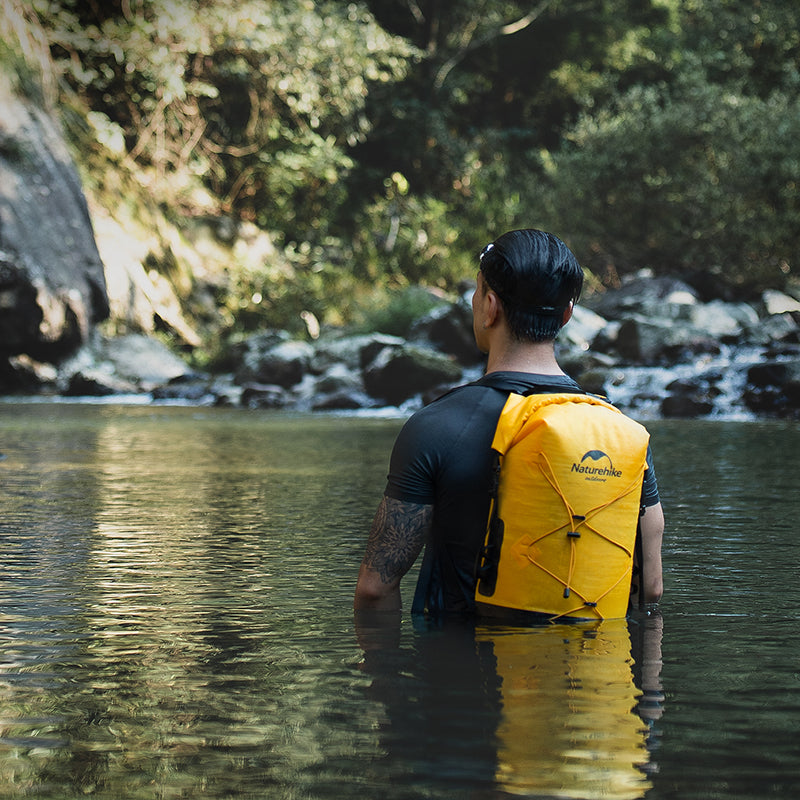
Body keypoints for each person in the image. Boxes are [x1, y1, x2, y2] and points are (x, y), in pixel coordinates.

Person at [353, 229, 664, 617]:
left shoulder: (435, 427)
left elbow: (374, 590)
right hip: (600, 672)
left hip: (469, 673)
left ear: (490, 307)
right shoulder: (623, 435)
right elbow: (651, 588)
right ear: (567, 314)